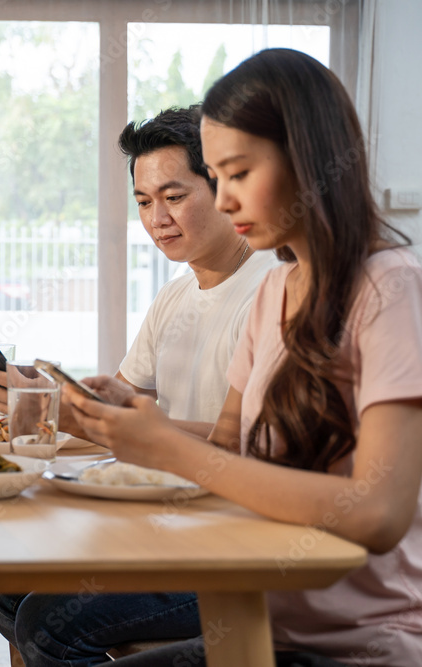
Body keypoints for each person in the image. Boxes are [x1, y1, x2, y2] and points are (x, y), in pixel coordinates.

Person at [65, 48, 422, 666]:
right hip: (264, 614)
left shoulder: (391, 288)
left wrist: (170, 448)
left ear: (308, 159)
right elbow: (233, 444)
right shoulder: (281, 288)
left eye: (237, 173)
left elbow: (377, 514)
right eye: (219, 177)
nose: (226, 201)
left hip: (356, 642)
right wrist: (141, 426)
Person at [0, 106, 277, 664]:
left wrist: (120, 424)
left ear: (225, 188)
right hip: (163, 516)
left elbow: (257, 441)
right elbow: (116, 404)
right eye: (144, 202)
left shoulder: (273, 288)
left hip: (231, 535)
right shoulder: (175, 295)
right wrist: (48, 396)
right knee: (5, 582)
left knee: (48, 624)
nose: (157, 218)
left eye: (175, 196)